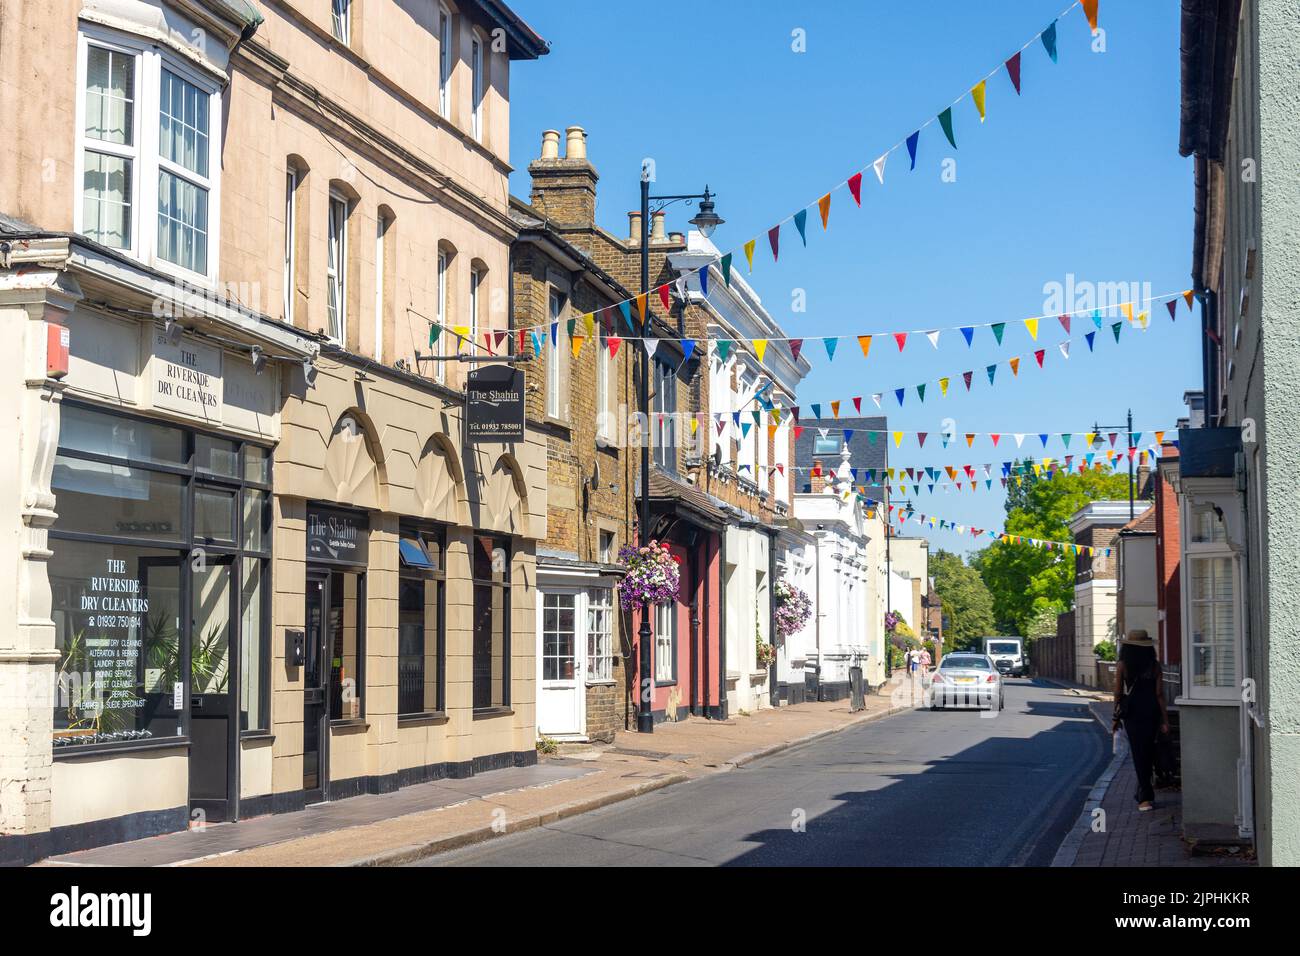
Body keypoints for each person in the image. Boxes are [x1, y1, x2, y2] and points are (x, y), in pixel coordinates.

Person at [1111, 629, 1171, 811]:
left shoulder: (1123, 665)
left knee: (1139, 753)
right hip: (1151, 711)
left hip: (1133, 713)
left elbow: (1118, 693)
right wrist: (1165, 720)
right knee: (1149, 750)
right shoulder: (1155, 666)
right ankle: (1143, 792)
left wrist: (1115, 717)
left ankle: (1145, 797)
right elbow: (1159, 694)